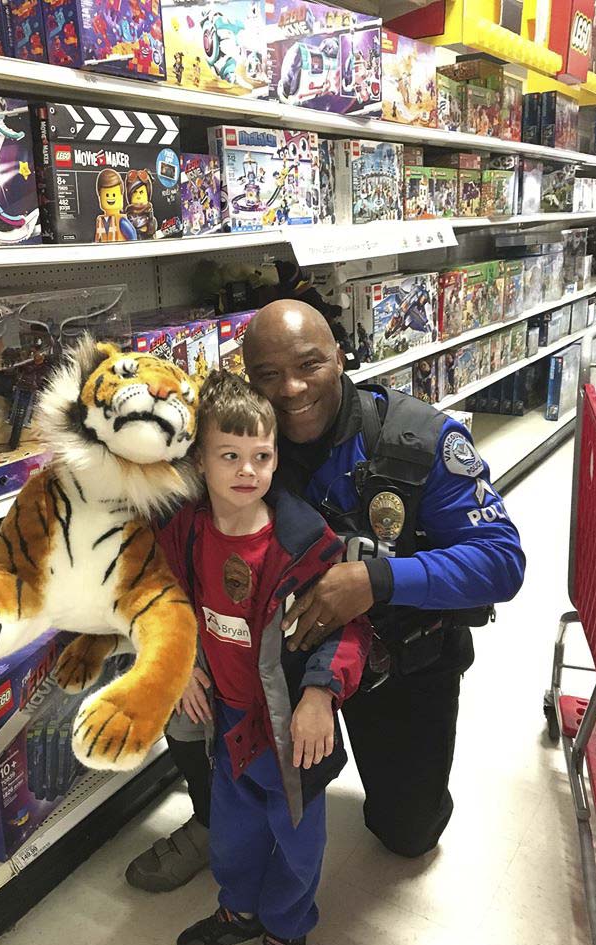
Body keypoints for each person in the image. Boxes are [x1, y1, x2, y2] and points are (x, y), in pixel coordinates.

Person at [126, 299, 525, 891]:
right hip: (271, 661)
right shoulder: (234, 445)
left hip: (397, 663)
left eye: (309, 364)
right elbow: (159, 549)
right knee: (178, 680)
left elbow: (502, 561)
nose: (290, 389)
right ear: (246, 377)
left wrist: (376, 580)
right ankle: (216, 816)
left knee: (408, 834)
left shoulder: (418, 440)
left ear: (340, 357)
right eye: (268, 374)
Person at [152, 370, 371, 945]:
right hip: (228, 721)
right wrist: (180, 663)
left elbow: (348, 627)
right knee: (232, 830)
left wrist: (320, 695)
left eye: (262, 456)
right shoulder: (186, 532)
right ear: (200, 461)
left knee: (297, 838)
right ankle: (240, 911)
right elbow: (163, 597)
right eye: (230, 455)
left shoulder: (304, 543)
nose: (247, 470)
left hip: (293, 728)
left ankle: (287, 928)